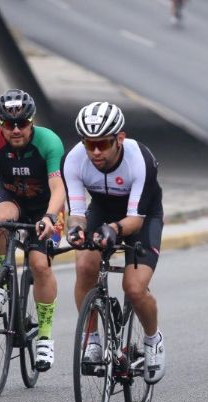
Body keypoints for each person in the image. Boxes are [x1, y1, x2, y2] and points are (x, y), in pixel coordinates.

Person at [0, 89, 66, 371]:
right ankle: (0, 282)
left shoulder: (49, 142)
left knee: (39, 264)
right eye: (8, 124)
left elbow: (58, 188)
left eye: (22, 124)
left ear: (32, 121)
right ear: (0, 123)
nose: (16, 130)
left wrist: (50, 217)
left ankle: (44, 337)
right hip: (13, 198)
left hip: (47, 207)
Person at [63, 102, 167, 384]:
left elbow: (135, 219)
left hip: (142, 218)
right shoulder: (73, 160)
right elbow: (76, 213)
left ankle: (152, 338)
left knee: (133, 288)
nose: (95, 152)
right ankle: (93, 339)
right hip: (102, 209)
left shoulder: (140, 160)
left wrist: (114, 229)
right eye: (89, 144)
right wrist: (75, 231)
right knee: (85, 263)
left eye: (103, 144)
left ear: (119, 138)